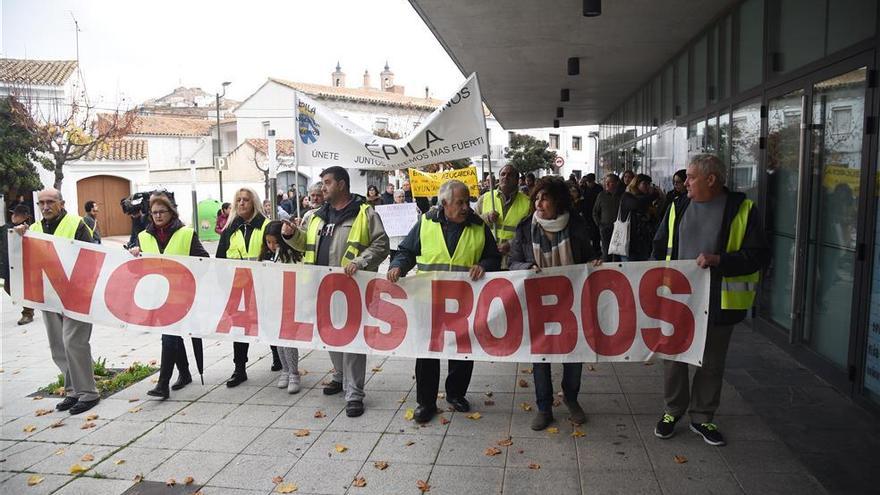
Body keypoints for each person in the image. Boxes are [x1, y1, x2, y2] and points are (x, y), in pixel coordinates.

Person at [652, 154, 770, 446]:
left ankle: (702, 417)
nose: (685, 182)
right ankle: (672, 411)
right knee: (674, 359)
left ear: (711, 179)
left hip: (720, 303)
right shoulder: (677, 206)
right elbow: (658, 248)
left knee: (712, 362)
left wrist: (720, 260)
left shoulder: (743, 209)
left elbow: (757, 256)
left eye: (691, 177)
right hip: (678, 300)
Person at [387, 180, 501, 423]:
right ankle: (425, 402)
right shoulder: (426, 223)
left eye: (467, 201)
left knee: (462, 351)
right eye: (460, 202)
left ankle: (456, 394)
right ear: (445, 203)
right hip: (429, 300)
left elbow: (493, 257)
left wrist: (484, 266)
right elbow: (406, 251)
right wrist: (398, 266)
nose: (465, 207)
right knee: (427, 352)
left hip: (463, 302)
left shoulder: (479, 226)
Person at [282, 166, 390, 417]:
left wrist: (361, 262)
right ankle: (340, 377)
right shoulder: (317, 216)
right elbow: (304, 243)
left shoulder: (365, 213)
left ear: (342, 184)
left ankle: (354, 393)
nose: (323, 187)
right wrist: (291, 235)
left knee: (351, 338)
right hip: (321, 287)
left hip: (352, 287)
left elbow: (382, 244)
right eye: (322, 183)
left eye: (327, 182)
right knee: (331, 334)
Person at [508, 176, 602, 430]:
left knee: (574, 352)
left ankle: (571, 399)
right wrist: (527, 266)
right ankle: (543, 407)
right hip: (539, 302)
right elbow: (513, 262)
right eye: (536, 198)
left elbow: (590, 255)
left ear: (558, 201)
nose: (538, 203)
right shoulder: (526, 227)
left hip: (572, 301)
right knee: (541, 355)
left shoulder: (577, 225)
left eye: (544, 198)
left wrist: (594, 263)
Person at [14, 188, 99, 415]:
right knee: (58, 346)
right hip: (50, 296)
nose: (45, 206)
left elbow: (92, 257)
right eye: (41, 203)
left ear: (61, 203)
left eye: (50, 202)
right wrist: (20, 236)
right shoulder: (34, 229)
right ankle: (72, 391)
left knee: (74, 342)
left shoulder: (77, 224)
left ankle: (89, 393)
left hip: (76, 295)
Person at [129, 195, 208, 399]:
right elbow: (137, 269)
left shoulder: (186, 234)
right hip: (159, 297)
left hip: (182, 296)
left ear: (171, 212)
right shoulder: (143, 237)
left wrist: (186, 278)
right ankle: (184, 373)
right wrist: (135, 255)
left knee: (169, 336)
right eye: (154, 212)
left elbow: (204, 262)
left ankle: (163, 383)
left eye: (161, 212)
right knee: (172, 335)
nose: (157, 216)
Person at [216, 187, 274, 387]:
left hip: (263, 287)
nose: (241, 203)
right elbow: (220, 260)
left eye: (246, 200)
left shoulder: (267, 226)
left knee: (269, 322)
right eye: (238, 200)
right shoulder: (229, 229)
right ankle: (239, 369)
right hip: (238, 289)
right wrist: (224, 287)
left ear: (254, 203)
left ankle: (278, 357)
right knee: (240, 328)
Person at [260, 220, 304, 394]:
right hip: (273, 303)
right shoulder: (267, 256)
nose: (271, 246)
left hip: (289, 303)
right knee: (277, 338)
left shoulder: (293, 256)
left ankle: (294, 372)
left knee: (288, 339)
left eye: (275, 242)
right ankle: (285, 370)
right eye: (268, 242)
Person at [476, 164, 531, 268]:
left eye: (510, 175)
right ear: (499, 177)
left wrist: (511, 245)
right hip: (487, 258)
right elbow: (472, 223)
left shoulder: (527, 203)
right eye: (503, 174)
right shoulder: (485, 198)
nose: (505, 177)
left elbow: (529, 234)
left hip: (513, 261)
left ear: (517, 180)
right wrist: (486, 217)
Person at [2, 204, 34, 325]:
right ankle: (30, 306)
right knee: (7, 287)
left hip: (21, 264)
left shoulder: (28, 229)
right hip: (8, 264)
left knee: (22, 288)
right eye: (13, 213)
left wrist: (25, 230)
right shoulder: (7, 227)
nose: (13, 216)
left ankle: (28, 312)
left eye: (17, 214)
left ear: (25, 217)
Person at [619, 174, 663, 261]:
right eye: (645, 184)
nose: (647, 187)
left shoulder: (648, 200)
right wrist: (654, 195)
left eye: (649, 184)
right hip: (629, 244)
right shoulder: (627, 196)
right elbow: (637, 204)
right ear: (636, 184)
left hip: (645, 245)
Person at [592, 173, 624, 261]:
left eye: (610, 182)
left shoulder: (622, 195)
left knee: (617, 253)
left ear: (616, 183)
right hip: (605, 228)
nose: (606, 184)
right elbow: (595, 211)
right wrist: (599, 224)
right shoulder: (601, 195)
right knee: (606, 253)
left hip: (619, 229)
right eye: (606, 182)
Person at [581, 173, 604, 254]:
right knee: (589, 233)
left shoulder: (599, 189)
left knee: (596, 233)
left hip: (596, 213)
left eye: (590, 181)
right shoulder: (585, 189)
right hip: (587, 214)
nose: (588, 183)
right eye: (587, 182)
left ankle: (596, 249)